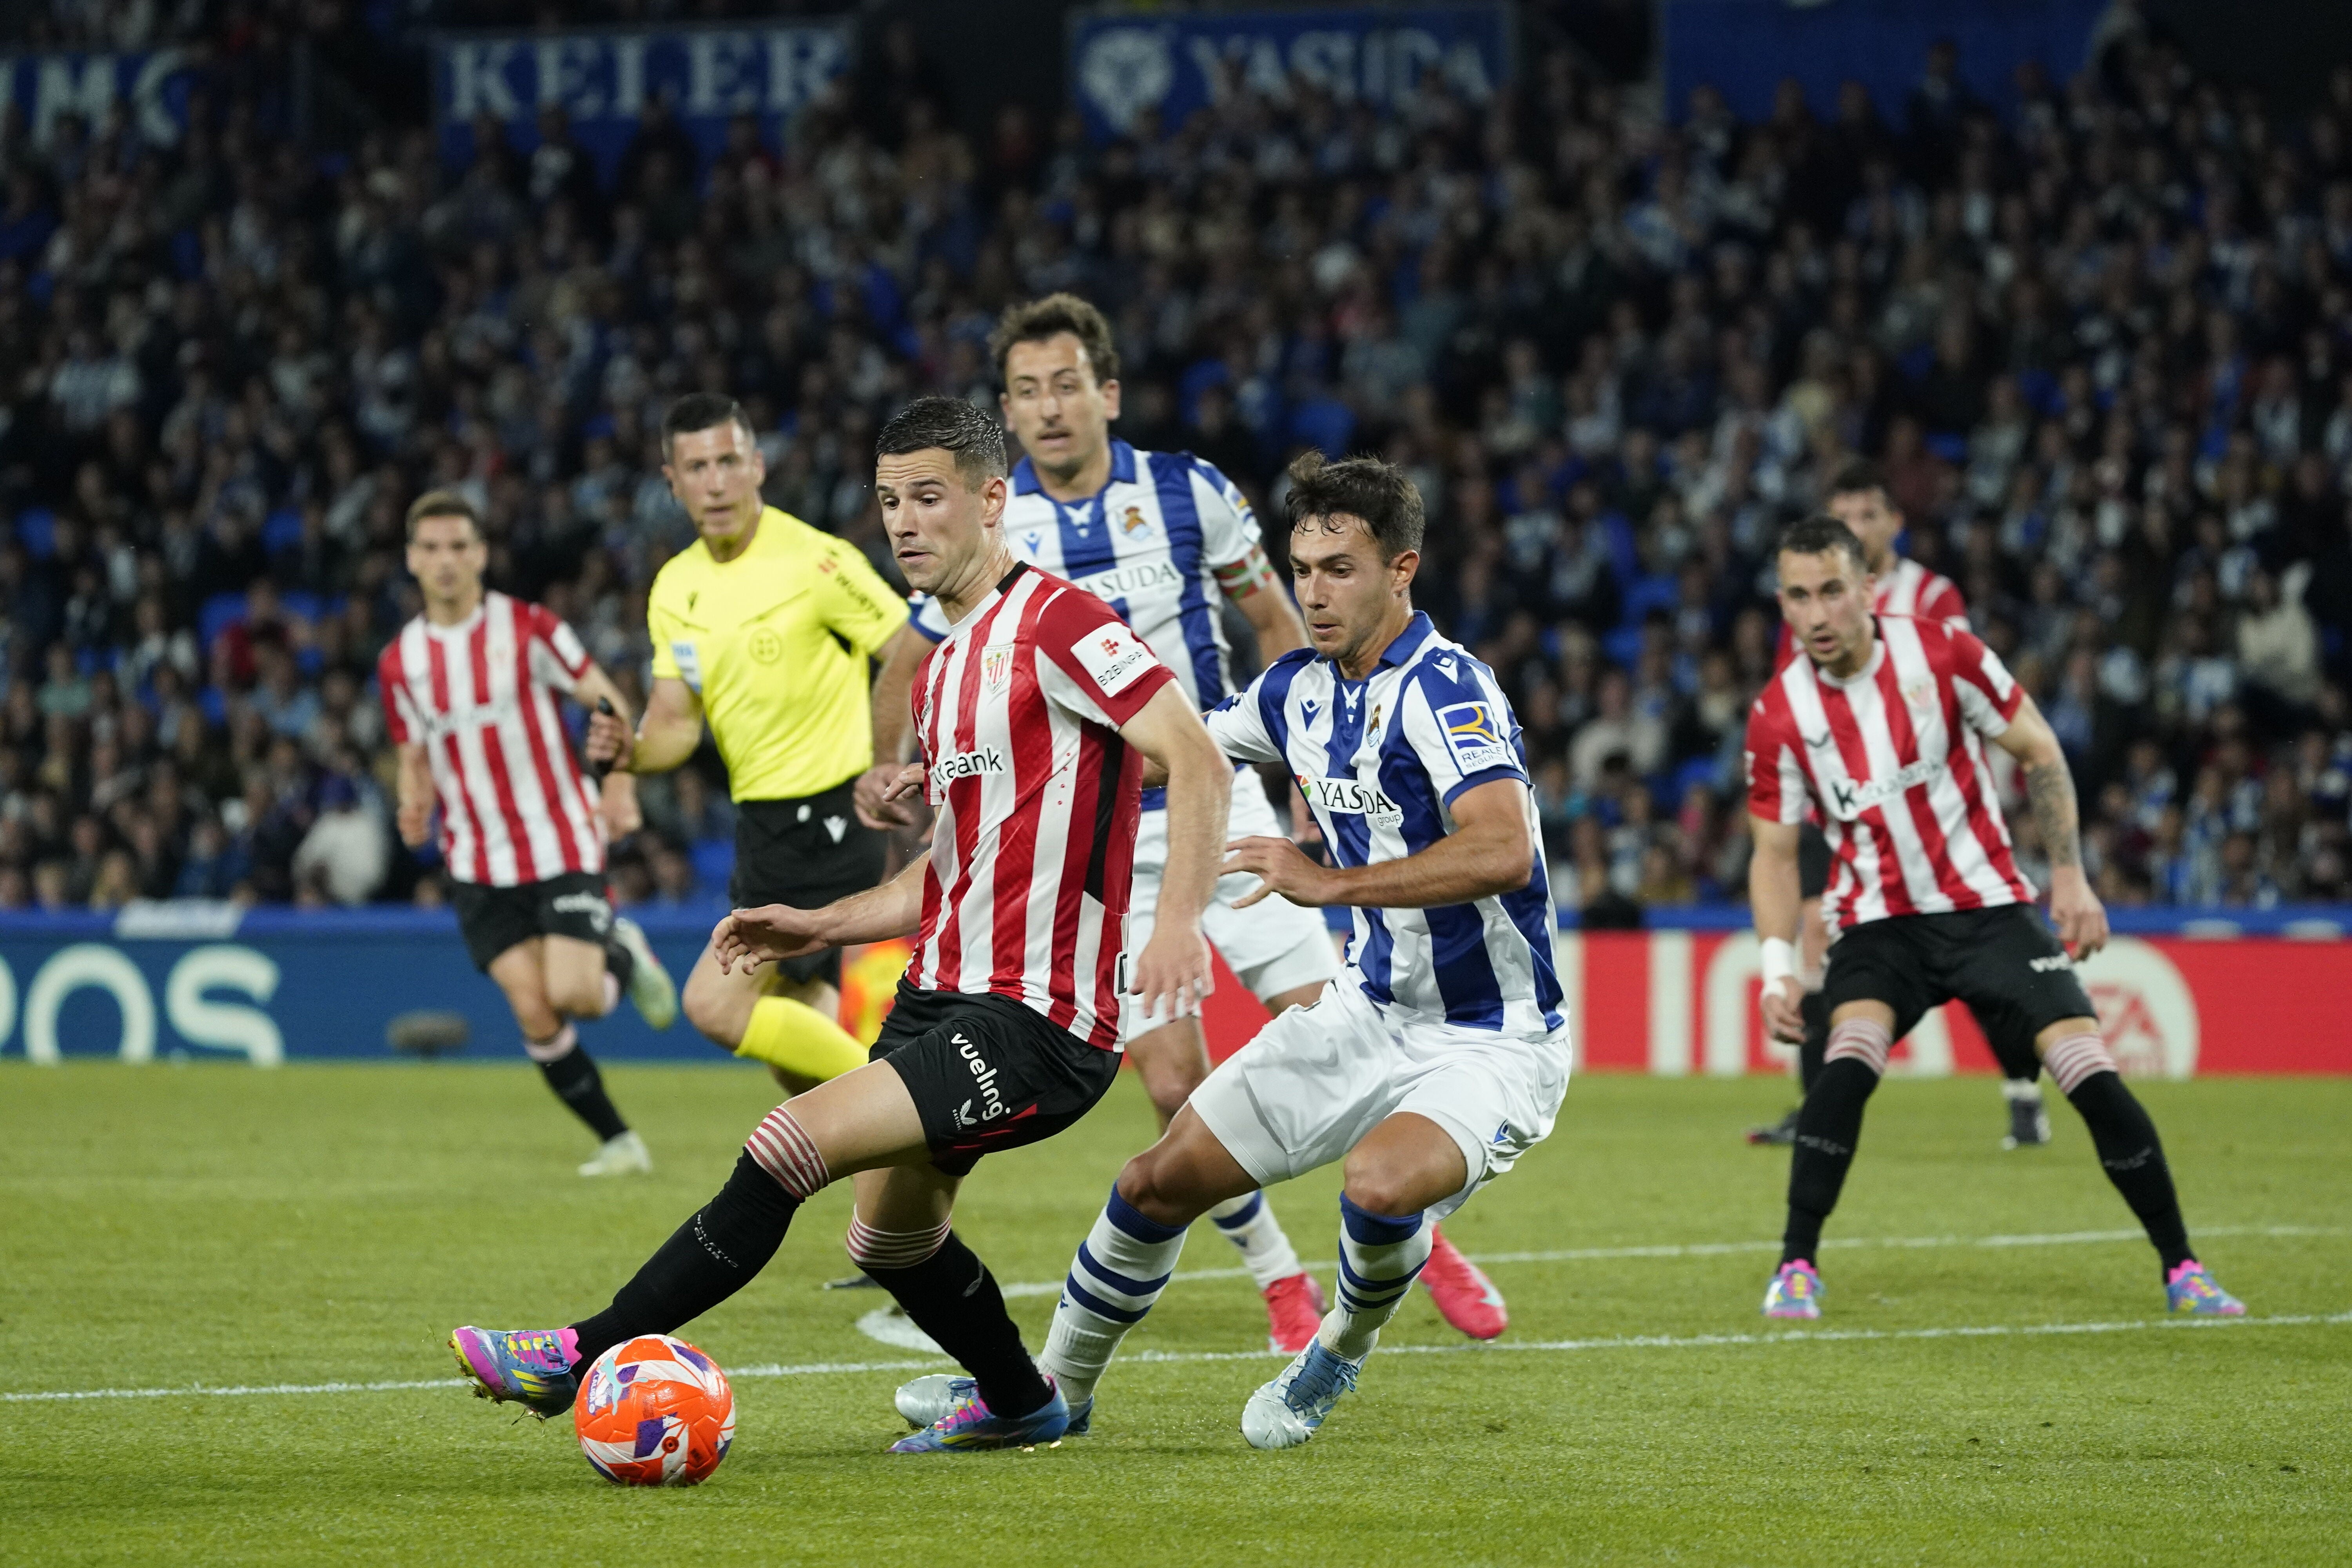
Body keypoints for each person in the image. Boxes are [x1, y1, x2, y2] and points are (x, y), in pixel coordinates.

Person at [451, 396, 1233, 1454]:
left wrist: (1177, 918)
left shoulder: (1060, 623)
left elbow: (1195, 754)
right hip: (938, 998)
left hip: (1037, 1020)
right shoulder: (951, 666)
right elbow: (942, 876)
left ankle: (578, 1354)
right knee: (892, 1242)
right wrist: (813, 924)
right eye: (888, 502)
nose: (904, 523)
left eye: (929, 498)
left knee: (787, 1144)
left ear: (993, 500)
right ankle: (1024, 1404)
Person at [873, 293, 1508, 1362]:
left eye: (1067, 383)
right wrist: (896, 767)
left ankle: (1422, 1232)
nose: (1049, 408)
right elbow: (907, 657)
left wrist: (1313, 753)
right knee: (1172, 1079)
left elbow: (1271, 621)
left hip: (1225, 805)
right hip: (1098, 844)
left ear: (1106, 392)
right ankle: (1280, 1284)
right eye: (1025, 392)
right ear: (1008, 414)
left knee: (1333, 1023)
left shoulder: (1190, 493)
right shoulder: (989, 524)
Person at [991, 454, 1571, 1450]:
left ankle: (1337, 1345)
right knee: (1152, 1181)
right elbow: (1173, 749)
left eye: (1339, 568)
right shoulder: (1294, 689)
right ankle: (1053, 1392)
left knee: (1380, 1185)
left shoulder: (1448, 690)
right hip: (1367, 1011)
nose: (1313, 591)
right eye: (1302, 567)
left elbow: (1502, 846)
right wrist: (998, 761)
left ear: (1402, 569)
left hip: (1494, 1038)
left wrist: (1330, 881)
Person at [1746, 514, 2243, 1320]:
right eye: (1798, 596)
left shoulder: (1946, 653)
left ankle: (2183, 1265)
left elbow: (2040, 751)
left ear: (1869, 587)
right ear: (1783, 603)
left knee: (2089, 1072)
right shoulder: (1779, 713)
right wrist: (1777, 969)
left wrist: (2073, 880)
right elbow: (1771, 852)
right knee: (1846, 1064)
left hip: (1988, 908)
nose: (1817, 614)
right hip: (1879, 924)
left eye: (1833, 590)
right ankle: (1796, 1265)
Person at [588, 393, 931, 1093]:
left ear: (757, 467)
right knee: (797, 1065)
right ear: (672, 481)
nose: (715, 482)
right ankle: (897, 1174)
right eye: (697, 468)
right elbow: (678, 722)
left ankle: (906, 1101)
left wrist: (886, 761)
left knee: (711, 1003)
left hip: (833, 818)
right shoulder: (675, 587)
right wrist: (633, 751)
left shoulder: (818, 562)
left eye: (727, 462)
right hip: (762, 826)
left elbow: (911, 648)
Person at [1749, 458, 2051, 1151]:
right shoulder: (1806, 599)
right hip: (1845, 809)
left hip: (1935, 809)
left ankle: (2022, 1087)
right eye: (1844, 514)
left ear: (1893, 524)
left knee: (1981, 967)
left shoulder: (1933, 595)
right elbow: (1792, 694)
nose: (1855, 525)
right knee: (1816, 938)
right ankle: (1816, 1107)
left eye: (1867, 515)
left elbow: (1957, 685)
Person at [381, 490, 676, 1176]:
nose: (446, 561)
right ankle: (619, 1143)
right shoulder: (402, 662)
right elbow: (413, 754)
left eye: (459, 547)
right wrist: (413, 804)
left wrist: (620, 782)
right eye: (431, 548)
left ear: (481, 554)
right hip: (477, 859)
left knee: (576, 996)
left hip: (559, 836)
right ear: (411, 559)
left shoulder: (530, 628)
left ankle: (622, 955)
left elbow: (607, 698)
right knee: (534, 1009)